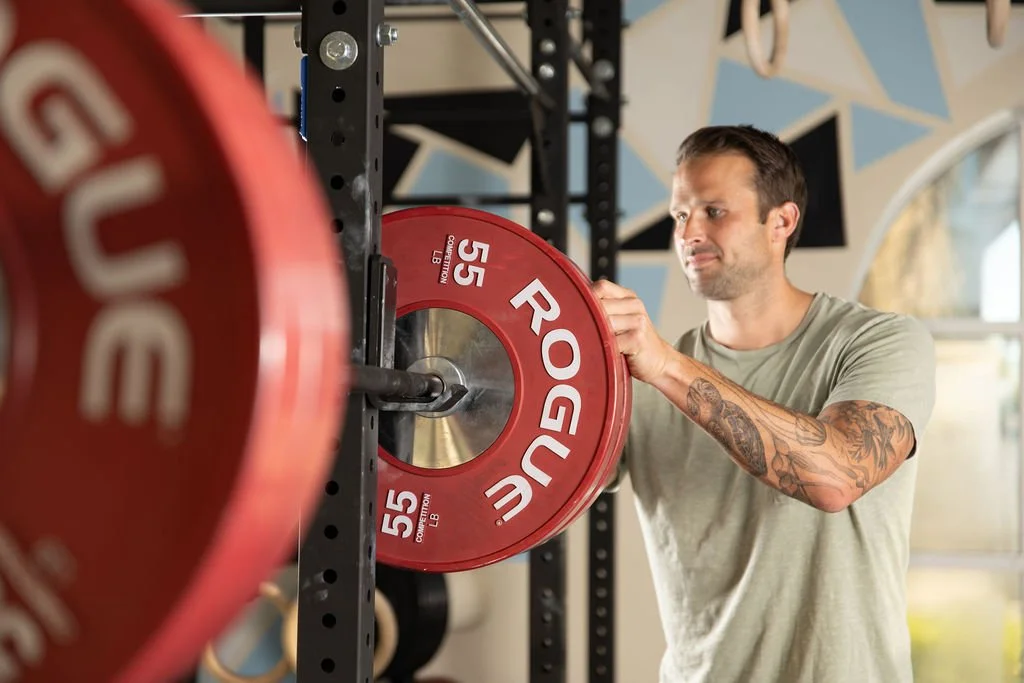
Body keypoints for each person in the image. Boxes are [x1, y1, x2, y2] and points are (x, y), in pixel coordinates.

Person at [593, 124, 936, 683]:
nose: (689, 232)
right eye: (681, 215)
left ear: (781, 221)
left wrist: (665, 366)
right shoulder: (634, 378)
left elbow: (835, 477)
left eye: (714, 211)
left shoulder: (880, 343)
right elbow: (538, 485)